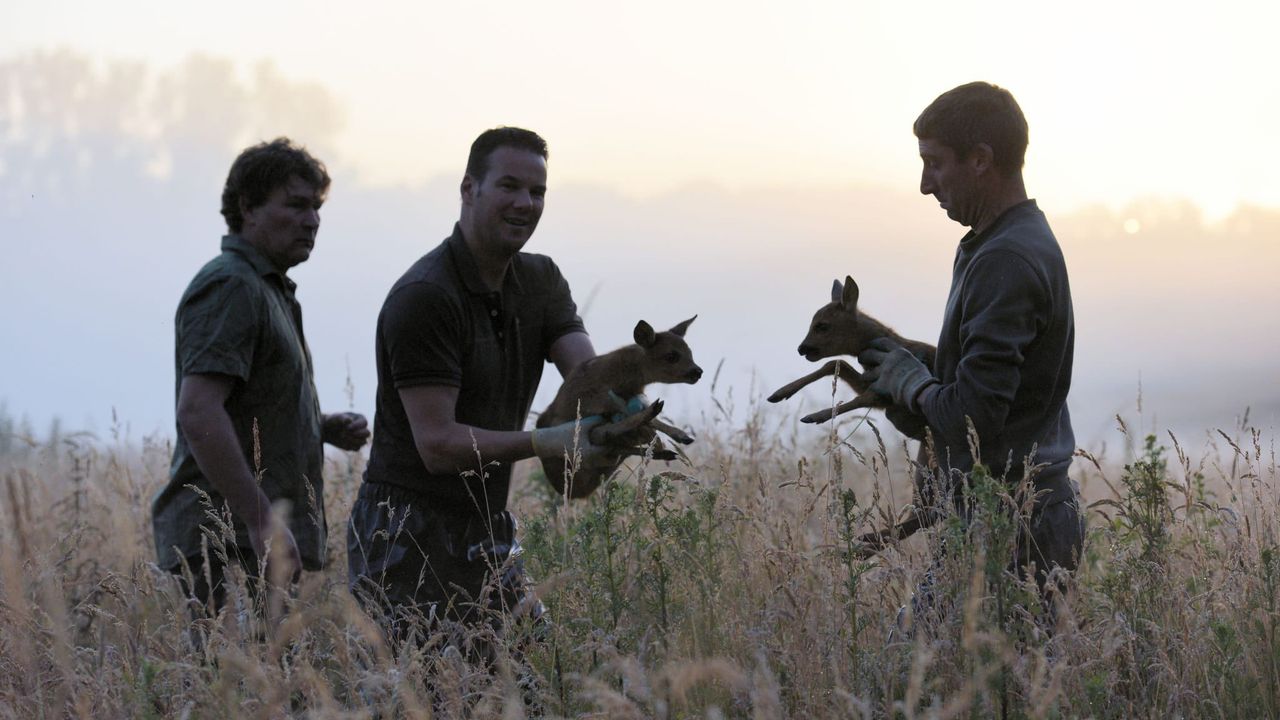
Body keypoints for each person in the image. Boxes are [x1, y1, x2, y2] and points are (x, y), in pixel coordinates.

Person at [347, 127, 614, 642]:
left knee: (536, 677)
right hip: (402, 534)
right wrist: (545, 441)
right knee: (426, 697)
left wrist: (628, 407)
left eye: (537, 192)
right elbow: (438, 445)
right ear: (469, 189)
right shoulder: (425, 296)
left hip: (487, 524)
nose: (525, 203)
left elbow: (588, 379)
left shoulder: (541, 281)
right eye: (509, 186)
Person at [858, 82, 1084, 618]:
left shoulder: (1006, 259)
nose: (923, 184)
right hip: (1013, 517)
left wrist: (911, 383)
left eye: (934, 164)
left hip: (1011, 527)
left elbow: (973, 418)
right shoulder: (1003, 241)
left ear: (981, 160)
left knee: (917, 685)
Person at [152, 138, 370, 614]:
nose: (311, 220)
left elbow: (239, 405)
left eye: (316, 207)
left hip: (247, 540)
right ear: (248, 208)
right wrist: (261, 520)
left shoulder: (264, 288)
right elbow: (199, 410)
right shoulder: (232, 285)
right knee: (235, 685)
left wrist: (322, 426)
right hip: (225, 543)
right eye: (295, 205)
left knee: (266, 683)